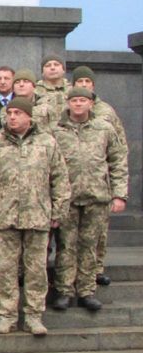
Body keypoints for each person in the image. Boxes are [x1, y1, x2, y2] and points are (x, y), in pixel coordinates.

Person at [0, 98, 70, 335]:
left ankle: (34, 316)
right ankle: (7, 316)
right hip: (5, 217)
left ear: (29, 116)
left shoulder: (47, 143)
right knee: (6, 269)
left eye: (18, 113)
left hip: (38, 217)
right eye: (10, 113)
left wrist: (58, 211)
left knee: (36, 269)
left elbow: (60, 179)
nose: (13, 117)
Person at [52, 88, 127, 312]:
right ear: (68, 103)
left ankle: (86, 291)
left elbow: (118, 161)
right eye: (74, 100)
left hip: (97, 197)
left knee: (89, 246)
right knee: (66, 245)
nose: (78, 104)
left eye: (82, 100)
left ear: (91, 104)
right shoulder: (57, 130)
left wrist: (119, 194)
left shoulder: (104, 129)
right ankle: (65, 290)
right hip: (68, 198)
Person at [70, 66, 127, 287]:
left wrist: (119, 192)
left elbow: (118, 153)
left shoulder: (106, 114)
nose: (83, 85)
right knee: (68, 243)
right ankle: (67, 282)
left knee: (95, 239)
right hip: (71, 193)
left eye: (87, 81)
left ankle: (94, 274)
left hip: (98, 190)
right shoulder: (62, 122)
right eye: (79, 81)